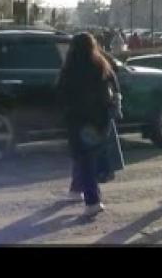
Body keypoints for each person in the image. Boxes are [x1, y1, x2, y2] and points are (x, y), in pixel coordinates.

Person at [56, 32, 121, 218]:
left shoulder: (71, 68)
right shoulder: (101, 65)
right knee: (87, 157)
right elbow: (115, 85)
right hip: (99, 119)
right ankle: (76, 190)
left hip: (78, 120)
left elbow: (61, 93)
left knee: (83, 158)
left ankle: (92, 201)